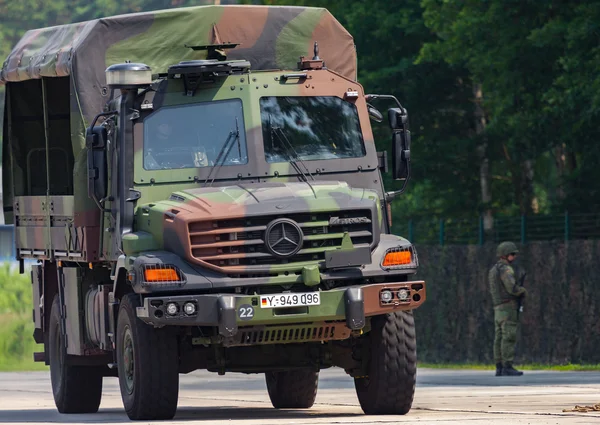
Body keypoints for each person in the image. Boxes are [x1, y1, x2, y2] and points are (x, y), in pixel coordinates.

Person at [489, 241, 527, 377]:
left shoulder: (493, 270)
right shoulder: (506, 269)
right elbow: (511, 287)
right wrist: (522, 291)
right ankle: (507, 365)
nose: (514, 257)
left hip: (498, 308)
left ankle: (499, 366)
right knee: (508, 336)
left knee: (498, 337)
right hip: (508, 308)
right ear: (505, 255)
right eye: (512, 254)